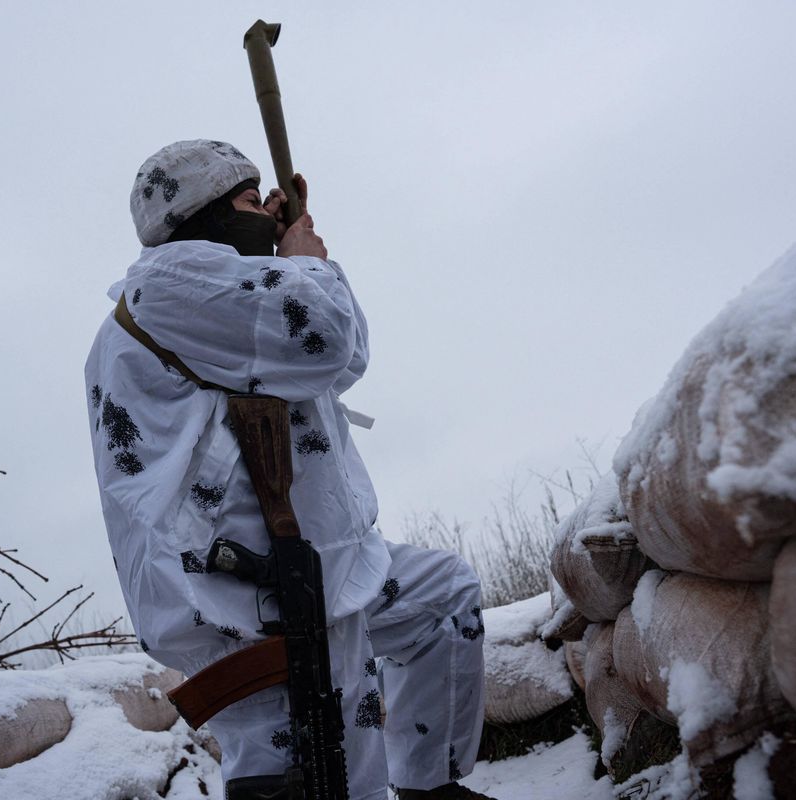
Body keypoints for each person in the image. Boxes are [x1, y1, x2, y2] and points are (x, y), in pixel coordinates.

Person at [85, 139, 494, 800]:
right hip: (250, 600)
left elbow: (316, 356)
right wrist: (303, 260)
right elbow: (330, 341)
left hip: (317, 573)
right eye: (248, 204)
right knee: (308, 768)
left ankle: (429, 788)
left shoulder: (215, 298)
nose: (265, 219)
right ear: (205, 217)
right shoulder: (176, 282)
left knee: (440, 599)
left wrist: (275, 245)